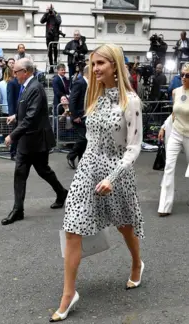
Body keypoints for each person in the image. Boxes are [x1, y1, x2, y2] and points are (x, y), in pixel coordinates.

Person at [51, 44, 144, 322]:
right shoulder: (96, 97)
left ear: (115, 65)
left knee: (124, 226)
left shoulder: (131, 101)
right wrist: (84, 168)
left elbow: (134, 147)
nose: (95, 69)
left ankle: (137, 263)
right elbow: (91, 139)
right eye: (93, 64)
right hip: (88, 168)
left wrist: (112, 177)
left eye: (100, 63)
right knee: (72, 227)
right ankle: (69, 294)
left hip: (117, 172)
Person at [2, 58, 68, 226]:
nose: (14, 74)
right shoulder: (28, 87)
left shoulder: (36, 88)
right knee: (20, 173)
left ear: (26, 72)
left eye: (16, 71)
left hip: (36, 140)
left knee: (43, 170)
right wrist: (16, 116)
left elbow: (31, 117)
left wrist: (12, 136)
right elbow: (28, 110)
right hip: (27, 141)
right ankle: (18, 210)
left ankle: (62, 193)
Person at [157, 62, 189, 216]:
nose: (183, 78)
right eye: (182, 74)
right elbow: (174, 113)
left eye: (187, 75)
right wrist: (164, 126)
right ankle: (164, 206)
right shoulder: (176, 92)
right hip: (176, 133)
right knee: (169, 167)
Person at [66, 64, 89, 169]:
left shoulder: (88, 83)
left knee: (85, 139)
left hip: (86, 115)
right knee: (83, 138)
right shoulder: (79, 82)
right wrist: (74, 115)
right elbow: (72, 100)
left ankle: (81, 160)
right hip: (78, 116)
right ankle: (71, 156)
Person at [40, 4, 62, 73]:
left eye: (50, 9)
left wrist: (54, 14)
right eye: (49, 9)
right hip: (48, 35)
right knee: (49, 51)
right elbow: (41, 21)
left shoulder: (57, 14)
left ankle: (55, 60)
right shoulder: (47, 15)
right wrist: (46, 13)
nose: (49, 11)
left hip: (55, 35)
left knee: (55, 48)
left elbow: (58, 22)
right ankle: (51, 67)